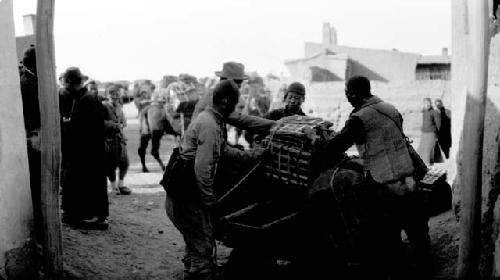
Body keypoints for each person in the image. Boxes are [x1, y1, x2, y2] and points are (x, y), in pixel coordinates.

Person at [304, 76, 432, 279]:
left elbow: (333, 149)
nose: (347, 98)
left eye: (347, 94)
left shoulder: (359, 118)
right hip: (409, 178)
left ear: (353, 94)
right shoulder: (390, 108)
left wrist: (314, 138)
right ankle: (427, 270)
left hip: (384, 184)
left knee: (390, 237)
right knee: (418, 233)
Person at [165, 80, 270, 280]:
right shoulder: (209, 124)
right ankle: (198, 272)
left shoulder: (211, 119)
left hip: (182, 194)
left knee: (195, 243)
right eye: (234, 104)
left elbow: (224, 150)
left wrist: (255, 155)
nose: (234, 109)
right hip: (186, 197)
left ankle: (192, 268)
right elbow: (202, 169)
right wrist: (209, 202)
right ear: (224, 101)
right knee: (203, 248)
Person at [59, 67, 109, 230]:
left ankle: (97, 219)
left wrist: (67, 124)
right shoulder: (87, 97)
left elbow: (82, 127)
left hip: (88, 151)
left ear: (68, 82)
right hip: (91, 150)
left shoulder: (87, 99)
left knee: (91, 184)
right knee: (90, 184)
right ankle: (90, 216)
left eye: (65, 84)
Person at [19, 45, 43, 240]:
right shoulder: (27, 83)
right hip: (33, 137)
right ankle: (39, 228)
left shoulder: (33, 81)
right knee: (36, 183)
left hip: (37, 136)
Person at [103, 85, 131, 195]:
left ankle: (121, 184)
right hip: (109, 139)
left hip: (120, 138)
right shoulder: (104, 106)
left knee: (125, 162)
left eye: (117, 94)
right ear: (108, 95)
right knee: (111, 164)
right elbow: (101, 122)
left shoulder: (119, 106)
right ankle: (114, 187)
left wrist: (123, 123)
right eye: (112, 94)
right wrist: (114, 125)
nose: (115, 96)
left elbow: (123, 120)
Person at [417, 97, 443, 165]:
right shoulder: (424, 111)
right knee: (422, 148)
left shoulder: (434, 112)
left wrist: (437, 135)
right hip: (424, 133)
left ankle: (428, 163)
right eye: (426, 103)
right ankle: (423, 163)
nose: (427, 105)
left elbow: (439, 125)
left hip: (431, 133)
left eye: (429, 103)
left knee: (428, 149)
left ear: (431, 104)